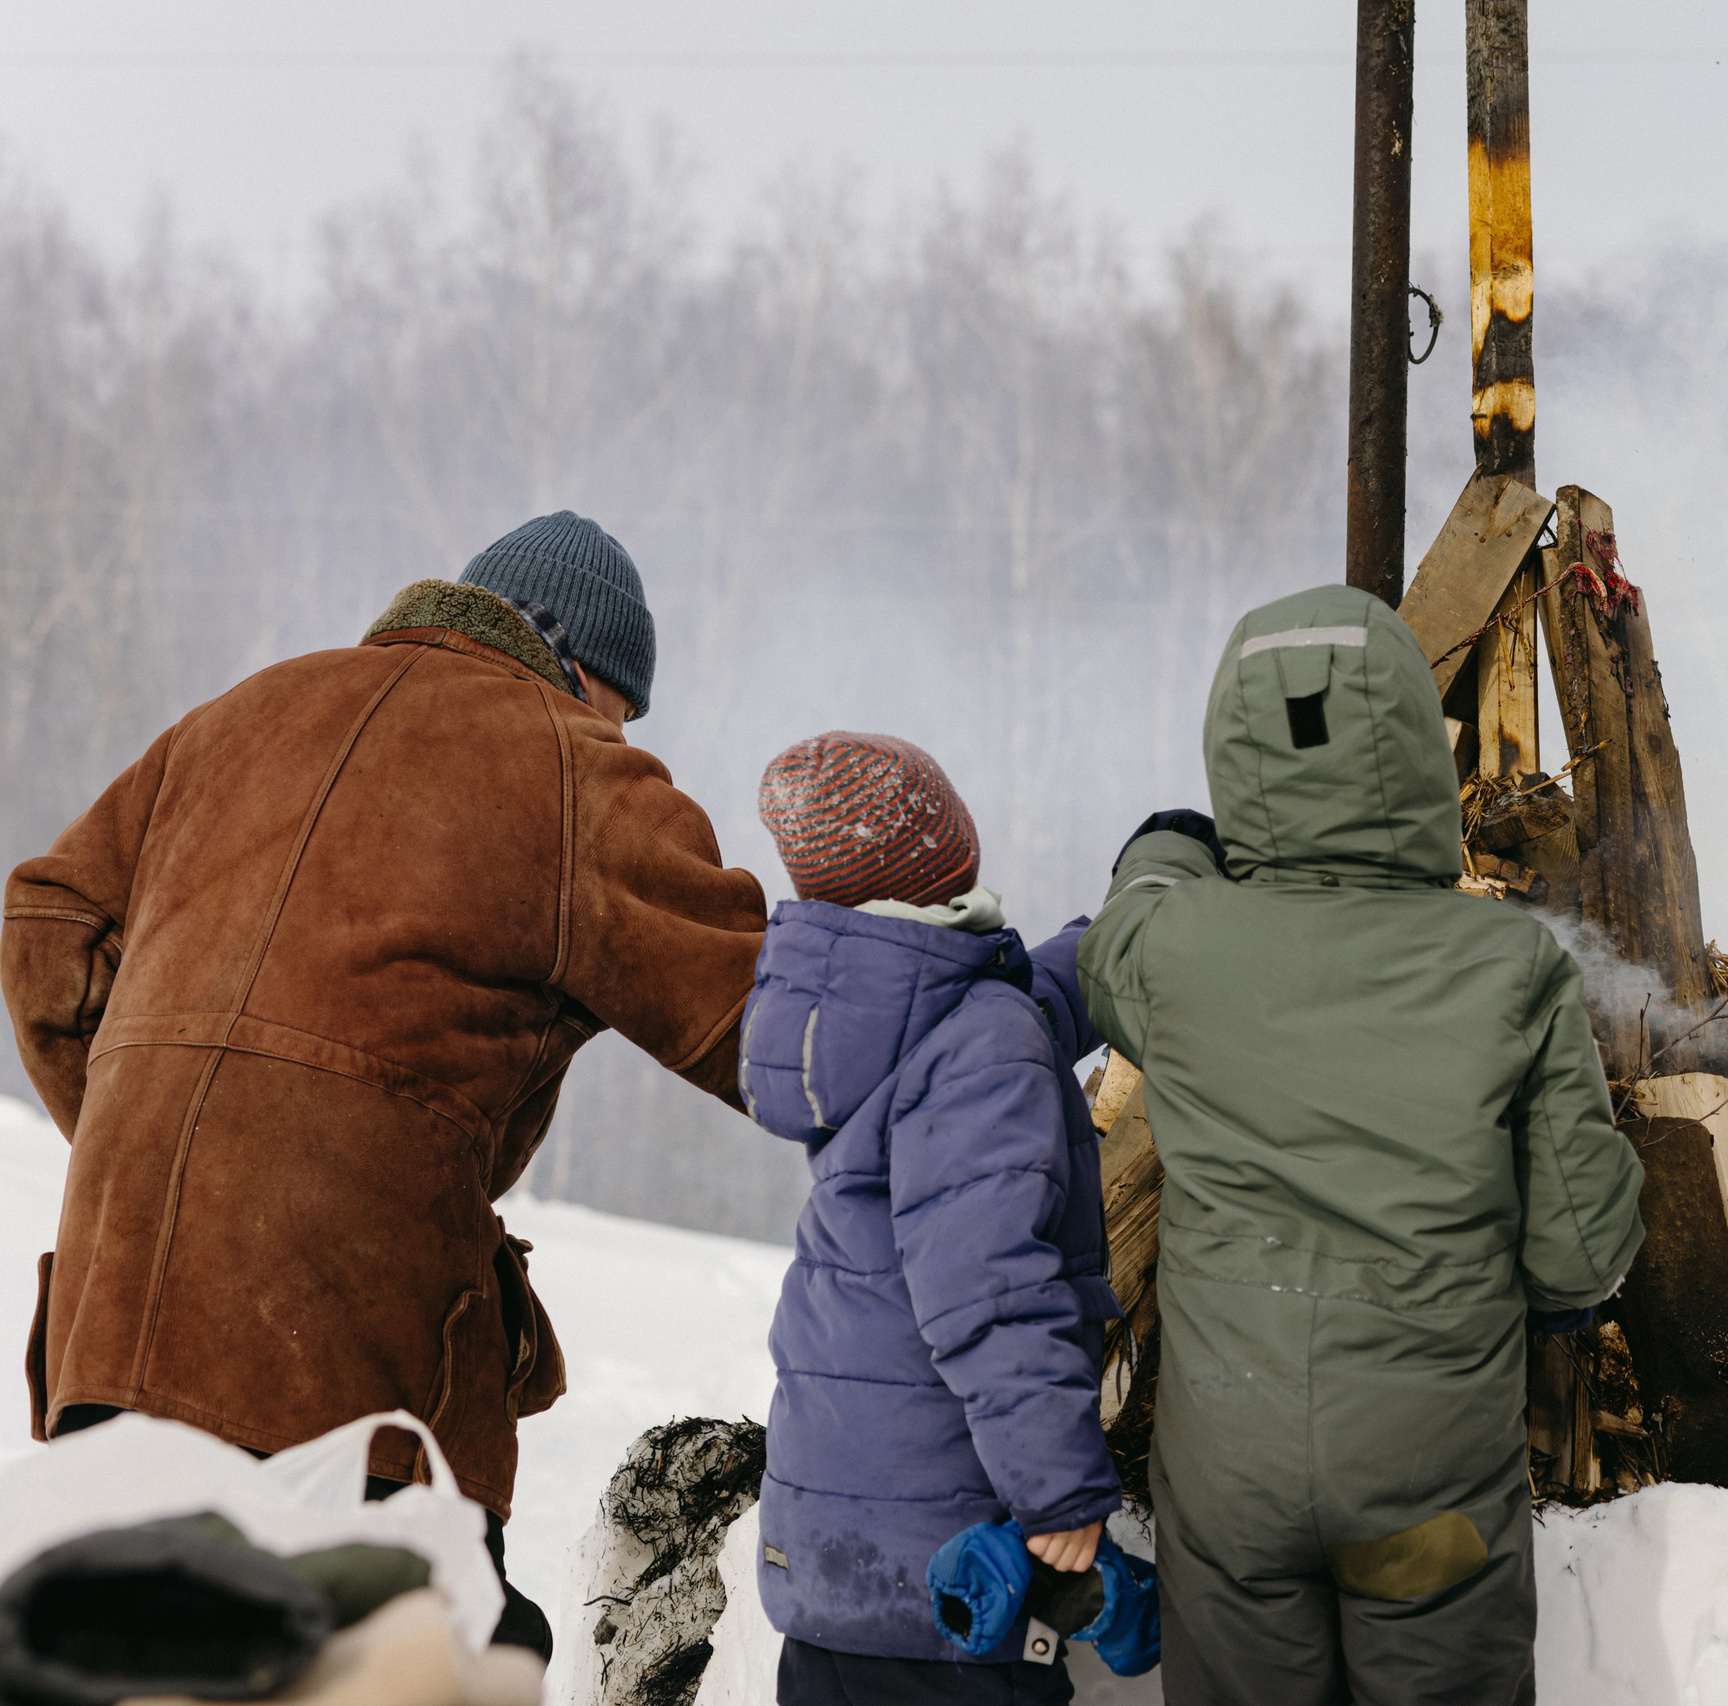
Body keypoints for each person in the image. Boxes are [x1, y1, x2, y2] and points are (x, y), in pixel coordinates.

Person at [1, 511, 769, 1659]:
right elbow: (766, 1018)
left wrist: (132, 1140)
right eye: (618, 704)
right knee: (434, 1658)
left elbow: (44, 922)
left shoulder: (238, 714)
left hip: (114, 1333)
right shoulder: (567, 766)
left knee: (138, 1671)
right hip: (352, 1373)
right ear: (572, 662)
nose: (618, 732)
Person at [1076, 584, 1648, 1705]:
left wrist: (1170, 849)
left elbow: (1122, 925)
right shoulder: (1510, 965)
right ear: (1410, 754)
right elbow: (1580, 1249)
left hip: (1229, 1484)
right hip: (1420, 1493)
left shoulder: (1174, 946)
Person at [740, 731, 1126, 1705]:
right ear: (949, 853)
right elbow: (987, 1286)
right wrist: (1059, 1490)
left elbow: (1009, 1004)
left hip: (832, 1553)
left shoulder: (864, 1002)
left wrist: (1127, 933)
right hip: (944, 1569)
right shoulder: (979, 1036)